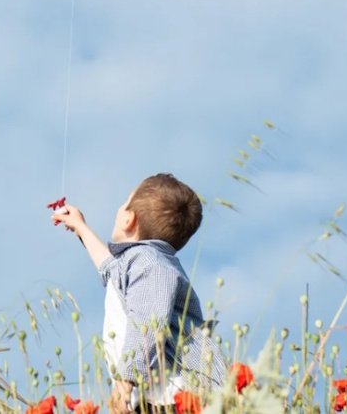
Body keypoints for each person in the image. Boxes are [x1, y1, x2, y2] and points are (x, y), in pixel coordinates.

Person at [53, 173, 226, 413]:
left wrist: (125, 385)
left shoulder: (151, 265)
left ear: (128, 219)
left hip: (175, 397)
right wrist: (81, 228)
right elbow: (110, 269)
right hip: (156, 397)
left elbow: (149, 322)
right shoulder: (146, 262)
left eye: (125, 202)